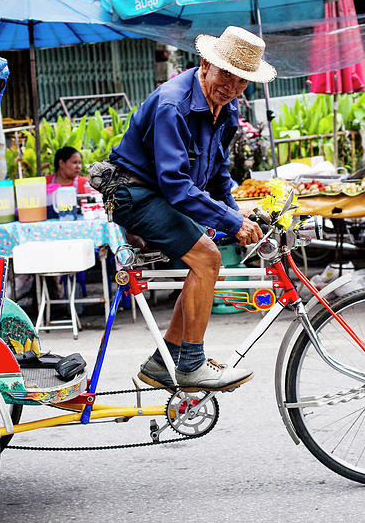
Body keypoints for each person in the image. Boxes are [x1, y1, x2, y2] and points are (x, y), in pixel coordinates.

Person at [106, 26, 273, 392]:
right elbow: (176, 185)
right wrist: (230, 220)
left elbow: (218, 173)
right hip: (133, 194)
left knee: (203, 262)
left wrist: (236, 218)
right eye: (226, 73)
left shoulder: (226, 109)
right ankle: (191, 364)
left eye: (242, 80)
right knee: (208, 259)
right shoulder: (173, 104)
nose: (231, 86)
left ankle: (165, 361)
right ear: (205, 64)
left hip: (162, 195)